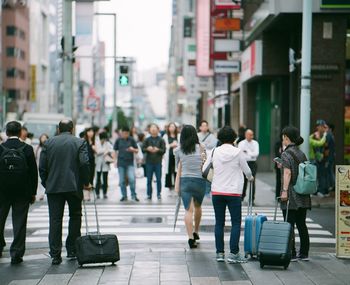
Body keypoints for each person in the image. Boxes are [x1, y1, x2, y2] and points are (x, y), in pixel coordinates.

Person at [39, 119, 91, 265]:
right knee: (75, 216)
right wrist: (86, 182)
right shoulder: (79, 142)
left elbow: (42, 167)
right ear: (72, 129)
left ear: (58, 129)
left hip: (54, 187)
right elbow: (84, 163)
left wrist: (47, 182)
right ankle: (72, 249)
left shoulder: (48, 143)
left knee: (55, 220)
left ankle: (55, 254)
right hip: (74, 186)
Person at [205, 126, 253, 263]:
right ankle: (234, 254)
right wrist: (250, 178)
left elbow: (204, 169)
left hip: (217, 191)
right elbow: (247, 171)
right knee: (235, 223)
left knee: (219, 222)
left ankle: (220, 253)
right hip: (233, 192)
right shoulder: (238, 152)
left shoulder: (214, 151)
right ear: (234, 138)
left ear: (220, 138)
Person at [0, 121, 38, 264]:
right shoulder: (27, 148)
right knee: (20, 222)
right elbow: (33, 173)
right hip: (22, 192)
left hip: (2, 191)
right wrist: (33, 192)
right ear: (20, 132)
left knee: (0, 219)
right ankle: (16, 253)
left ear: (7, 132)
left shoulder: (1, 148)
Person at [280, 126, 311, 262]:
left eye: (283, 138)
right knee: (301, 224)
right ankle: (304, 253)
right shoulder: (301, 153)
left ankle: (291, 252)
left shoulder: (286, 154)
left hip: (292, 194)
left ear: (287, 137)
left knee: (289, 224)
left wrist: (284, 191)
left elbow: (288, 173)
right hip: (303, 193)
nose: (283, 140)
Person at [174, 125, 206, 249]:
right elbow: (205, 163)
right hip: (200, 181)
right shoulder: (202, 147)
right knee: (198, 206)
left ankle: (190, 238)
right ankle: (196, 232)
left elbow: (178, 168)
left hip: (185, 181)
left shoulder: (178, 150)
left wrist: (177, 185)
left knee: (188, 210)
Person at [114, 127, 139, 202]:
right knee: (122, 181)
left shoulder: (132, 140)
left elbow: (137, 150)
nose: (124, 135)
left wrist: (133, 149)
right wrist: (115, 161)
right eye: (123, 133)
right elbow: (115, 150)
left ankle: (133, 195)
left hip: (130, 163)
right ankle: (124, 196)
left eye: (126, 133)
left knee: (131, 179)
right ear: (121, 133)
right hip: (121, 163)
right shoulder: (118, 140)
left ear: (128, 133)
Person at [143, 124, 166, 200]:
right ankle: (149, 194)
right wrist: (147, 149)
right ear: (149, 130)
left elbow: (164, 150)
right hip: (149, 162)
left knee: (159, 179)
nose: (153, 129)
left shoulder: (161, 139)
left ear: (158, 129)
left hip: (158, 162)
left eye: (155, 128)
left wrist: (158, 150)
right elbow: (143, 149)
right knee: (149, 179)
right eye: (152, 128)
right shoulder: (147, 139)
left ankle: (159, 194)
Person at [238, 129, 259, 203]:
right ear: (246, 135)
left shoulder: (255, 143)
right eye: (250, 135)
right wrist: (250, 154)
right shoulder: (241, 143)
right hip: (244, 163)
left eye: (252, 134)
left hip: (253, 164)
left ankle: (252, 199)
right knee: (243, 181)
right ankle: (242, 196)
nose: (252, 136)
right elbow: (241, 154)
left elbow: (256, 154)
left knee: (252, 181)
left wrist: (247, 152)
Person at [197, 120, 217, 196]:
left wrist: (202, 144)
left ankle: (207, 191)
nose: (204, 127)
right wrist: (206, 144)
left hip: (208, 158)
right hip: (199, 158)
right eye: (203, 126)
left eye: (206, 125)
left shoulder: (212, 136)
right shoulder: (197, 135)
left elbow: (213, 145)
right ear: (200, 127)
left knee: (208, 173)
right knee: (199, 174)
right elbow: (197, 144)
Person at [309, 120, 328, 197]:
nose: (318, 127)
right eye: (317, 126)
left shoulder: (311, 138)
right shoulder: (312, 138)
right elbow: (320, 143)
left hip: (318, 159)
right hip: (314, 159)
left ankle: (319, 190)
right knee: (315, 176)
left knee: (319, 175)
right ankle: (315, 191)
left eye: (319, 126)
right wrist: (324, 135)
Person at [95, 132, 114, 199]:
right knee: (98, 179)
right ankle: (97, 193)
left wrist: (106, 151)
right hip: (99, 163)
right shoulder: (97, 143)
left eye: (105, 139)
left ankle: (105, 193)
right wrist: (105, 151)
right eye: (103, 139)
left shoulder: (107, 143)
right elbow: (97, 151)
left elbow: (111, 150)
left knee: (105, 179)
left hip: (105, 163)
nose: (104, 140)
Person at [163, 122, 179, 191]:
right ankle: (169, 185)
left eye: (173, 127)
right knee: (169, 170)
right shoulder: (165, 136)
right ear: (168, 128)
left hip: (177, 156)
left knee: (177, 170)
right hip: (169, 156)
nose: (172, 128)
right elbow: (164, 146)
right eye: (170, 127)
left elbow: (181, 144)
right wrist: (171, 145)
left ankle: (176, 184)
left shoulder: (178, 135)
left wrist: (177, 145)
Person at [35, 134, 49, 201]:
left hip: (46, 167)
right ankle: (39, 194)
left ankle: (43, 194)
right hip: (38, 166)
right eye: (42, 138)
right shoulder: (37, 148)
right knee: (38, 181)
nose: (43, 139)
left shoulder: (49, 147)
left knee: (44, 179)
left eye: (45, 138)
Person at [83, 127, 96, 201]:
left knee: (91, 176)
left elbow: (98, 150)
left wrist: (94, 147)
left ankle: (88, 193)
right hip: (85, 161)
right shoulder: (84, 140)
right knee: (86, 177)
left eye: (92, 131)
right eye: (89, 131)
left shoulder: (95, 141)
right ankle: (86, 194)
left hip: (92, 161)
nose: (91, 133)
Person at [325, 123, 335, 192]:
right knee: (330, 171)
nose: (325, 129)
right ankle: (333, 185)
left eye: (326, 128)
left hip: (329, 157)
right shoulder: (332, 135)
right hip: (331, 156)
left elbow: (326, 146)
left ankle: (333, 185)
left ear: (330, 129)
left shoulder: (328, 135)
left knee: (329, 171)